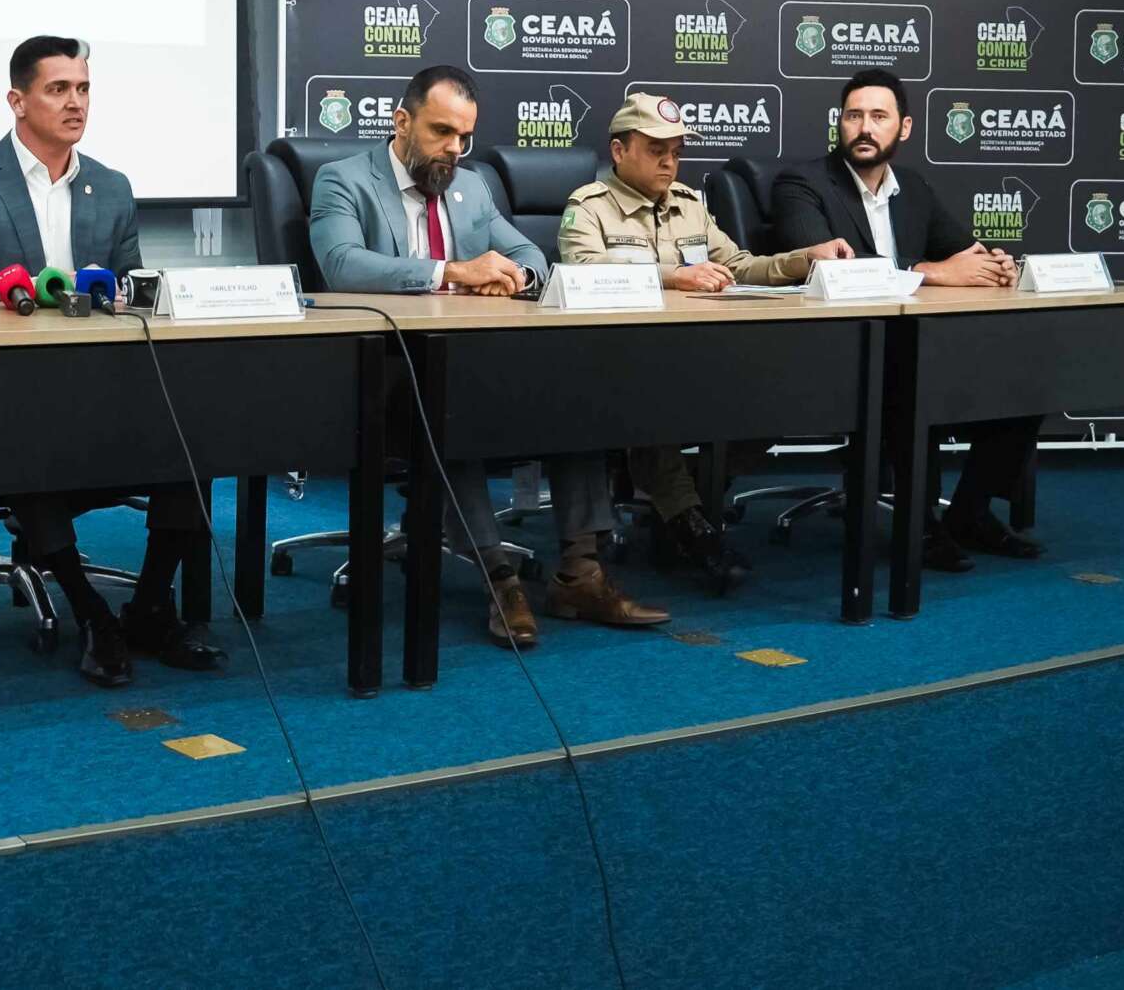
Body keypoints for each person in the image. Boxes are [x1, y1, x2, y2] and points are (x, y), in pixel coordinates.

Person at [0, 35, 226, 687]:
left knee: (193, 431)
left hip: (99, 385)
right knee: (33, 442)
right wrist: (20, 294)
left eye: (82, 89)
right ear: (17, 101)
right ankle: (91, 613)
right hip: (0, 390)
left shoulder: (111, 186)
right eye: (58, 89)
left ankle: (150, 606)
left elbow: (132, 293)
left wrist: (139, 297)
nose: (75, 102)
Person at [308, 64, 668, 642]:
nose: (455, 148)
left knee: (575, 391)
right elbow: (342, 265)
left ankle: (580, 572)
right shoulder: (343, 180)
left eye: (465, 137)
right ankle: (501, 579)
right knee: (450, 406)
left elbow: (532, 254)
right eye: (441, 132)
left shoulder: (470, 186)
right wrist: (451, 271)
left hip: (472, 356)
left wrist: (516, 277)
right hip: (389, 369)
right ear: (401, 122)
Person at [556, 92, 851, 590]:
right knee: (654, 404)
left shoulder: (690, 206)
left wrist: (804, 258)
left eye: (676, 151)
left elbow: (740, 267)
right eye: (655, 149)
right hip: (618, 359)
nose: (669, 162)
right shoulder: (589, 206)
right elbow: (581, 269)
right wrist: (674, 275)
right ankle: (693, 528)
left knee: (774, 399)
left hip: (696, 354)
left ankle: (675, 497)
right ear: (619, 150)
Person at [769, 67, 1046, 570]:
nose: (864, 128)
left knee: (1025, 376)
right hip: (836, 349)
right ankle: (918, 523)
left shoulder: (913, 187)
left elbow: (964, 251)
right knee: (908, 373)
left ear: (905, 127)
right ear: (839, 123)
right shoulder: (802, 184)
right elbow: (828, 265)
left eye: (879, 116)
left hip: (916, 341)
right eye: (853, 116)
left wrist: (994, 264)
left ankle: (970, 511)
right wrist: (932, 272)